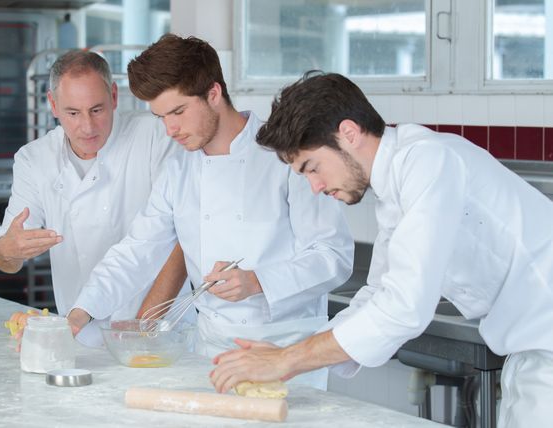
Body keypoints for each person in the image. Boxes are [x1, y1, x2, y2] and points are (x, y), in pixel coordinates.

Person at [209, 71, 553, 427]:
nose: (315, 186)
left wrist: (288, 360)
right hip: (532, 351)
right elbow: (377, 292)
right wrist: (289, 355)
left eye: (313, 168)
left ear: (349, 133)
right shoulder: (396, 184)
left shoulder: (428, 161)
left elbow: (404, 305)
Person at [67, 35, 354, 390]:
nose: (170, 130)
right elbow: (135, 251)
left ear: (214, 94)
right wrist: (81, 312)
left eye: (178, 112)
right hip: (211, 353)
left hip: (286, 355)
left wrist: (257, 281)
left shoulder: (286, 156)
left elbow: (333, 256)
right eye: (161, 117)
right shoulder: (178, 170)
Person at [0, 50, 187, 346]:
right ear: (53, 104)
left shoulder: (156, 137)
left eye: (97, 110)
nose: (87, 127)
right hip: (80, 334)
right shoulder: (35, 159)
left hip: (163, 333)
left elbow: (180, 241)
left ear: (114, 96)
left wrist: (144, 325)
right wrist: (9, 249)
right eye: (73, 113)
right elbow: (4, 259)